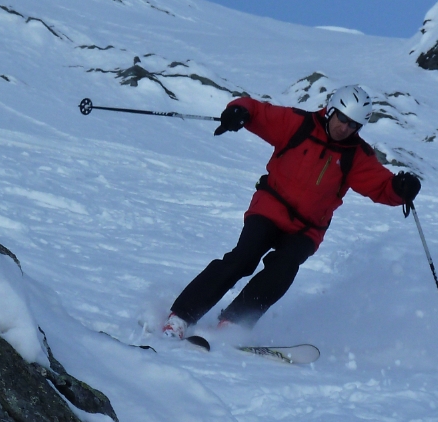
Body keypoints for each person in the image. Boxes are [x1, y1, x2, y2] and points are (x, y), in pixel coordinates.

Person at [163, 85, 421, 339]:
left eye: (354, 125)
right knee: (243, 258)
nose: (345, 128)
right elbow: (256, 111)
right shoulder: (299, 124)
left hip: (307, 229)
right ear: (331, 110)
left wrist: (401, 188)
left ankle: (234, 322)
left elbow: (382, 187)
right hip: (270, 207)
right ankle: (181, 316)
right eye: (342, 118)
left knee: (284, 269)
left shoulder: (357, 155)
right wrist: (238, 112)